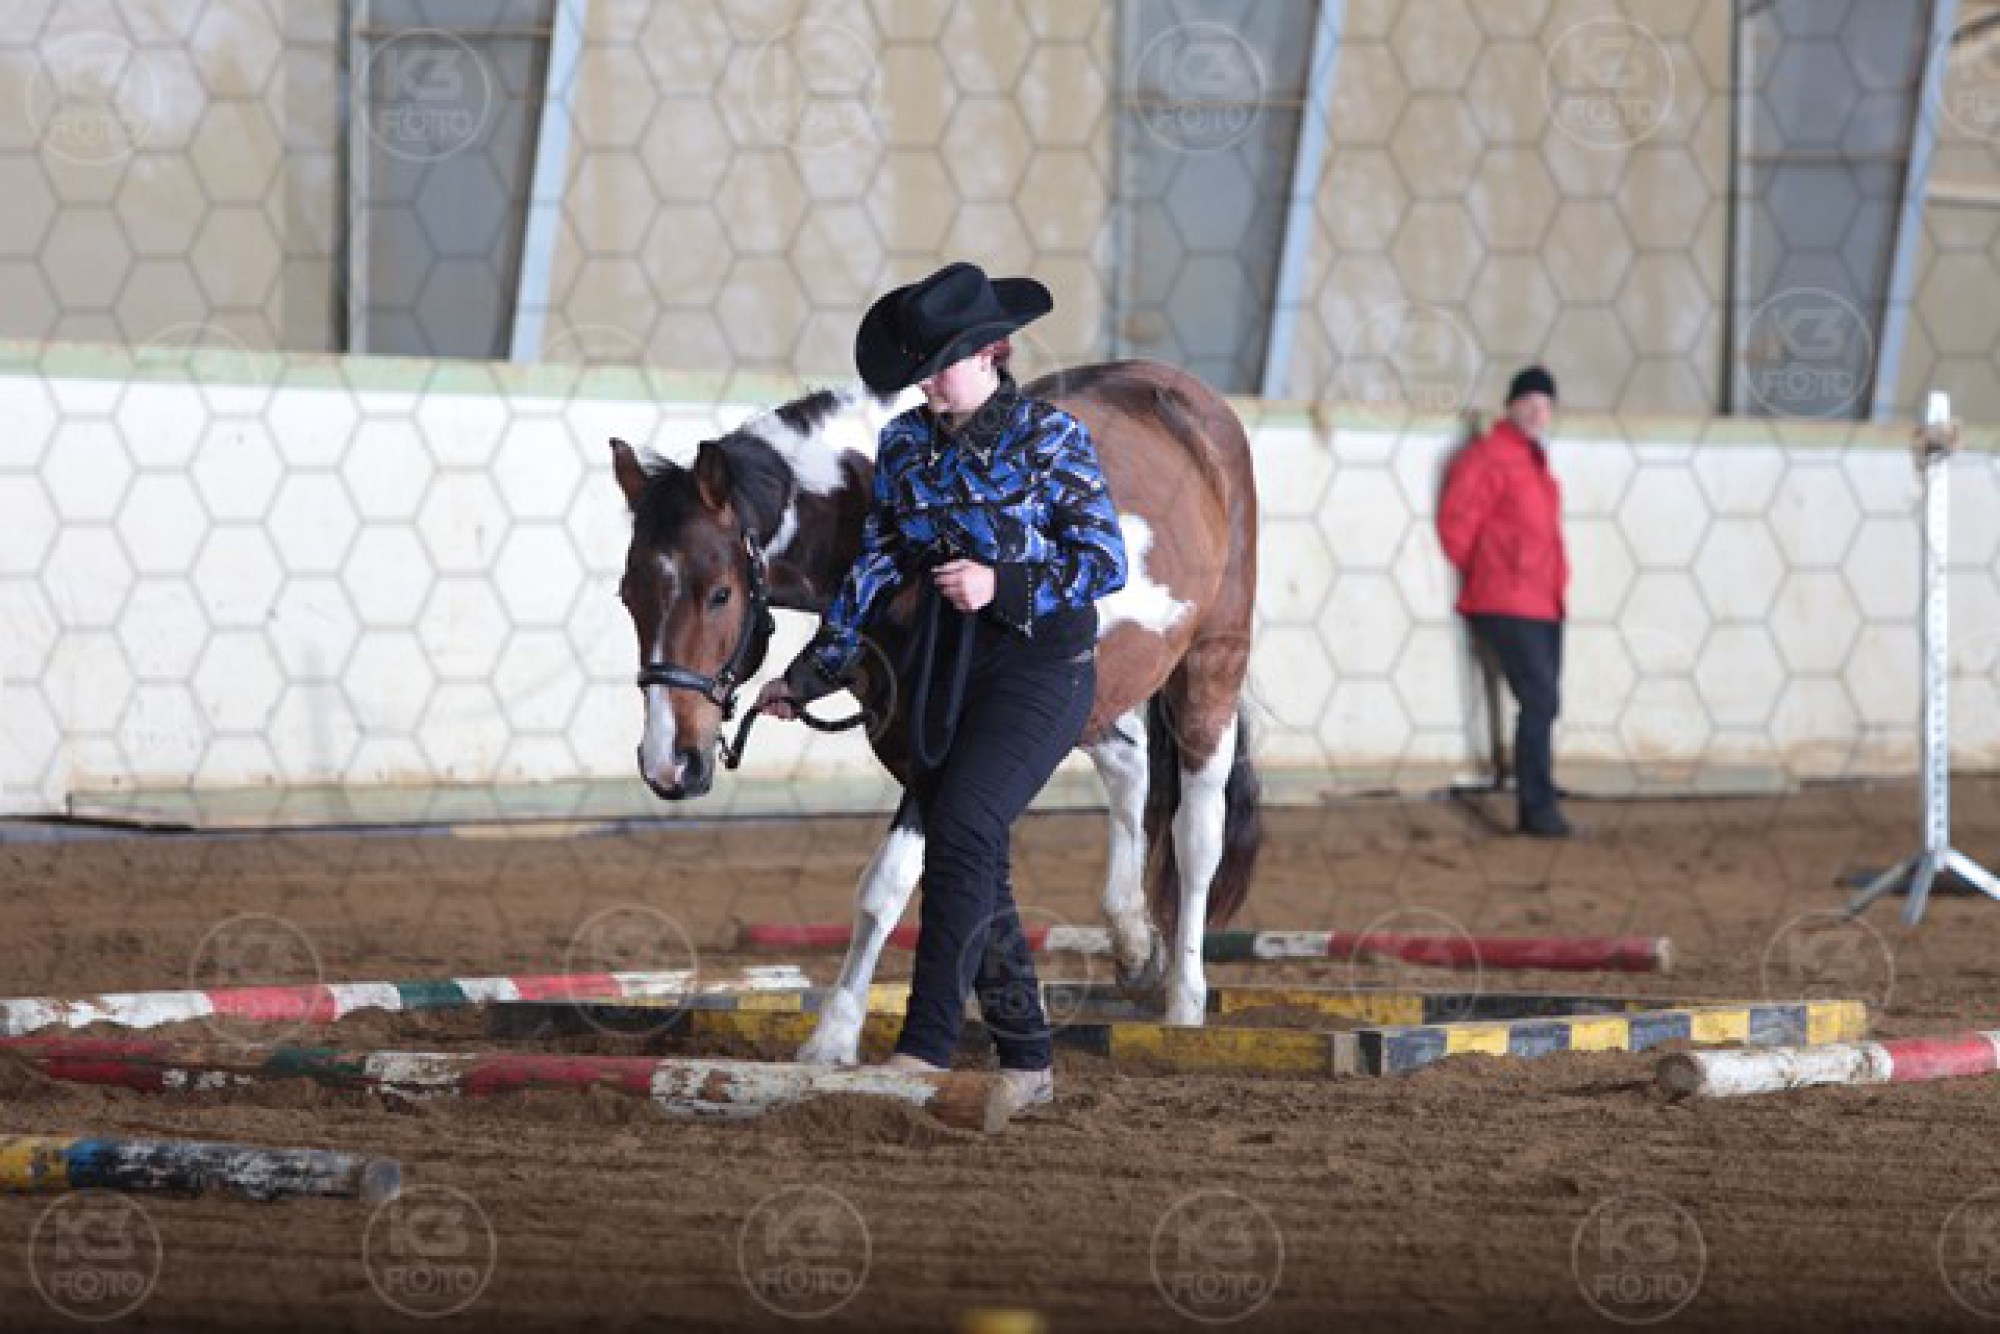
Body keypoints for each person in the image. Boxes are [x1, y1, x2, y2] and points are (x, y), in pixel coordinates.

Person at [755, 262, 1129, 1109]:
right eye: (920, 367)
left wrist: (1004, 583)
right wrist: (810, 675)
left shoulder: (1052, 438)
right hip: (945, 667)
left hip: (1043, 664)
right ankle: (1026, 1060)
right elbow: (878, 562)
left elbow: (1104, 562)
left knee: (961, 826)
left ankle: (924, 1048)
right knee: (975, 850)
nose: (926, 381)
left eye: (941, 365)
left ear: (992, 352)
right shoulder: (903, 444)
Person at [1437, 365, 1573, 839]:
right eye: (1529, 403)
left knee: (1544, 703)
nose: (1538, 413)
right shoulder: (1489, 457)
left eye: (1545, 405)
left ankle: (1539, 798)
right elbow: (1455, 525)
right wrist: (1493, 571)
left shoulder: (1536, 463)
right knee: (1539, 700)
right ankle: (1537, 810)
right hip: (1507, 600)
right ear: (1511, 407)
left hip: (1544, 601)